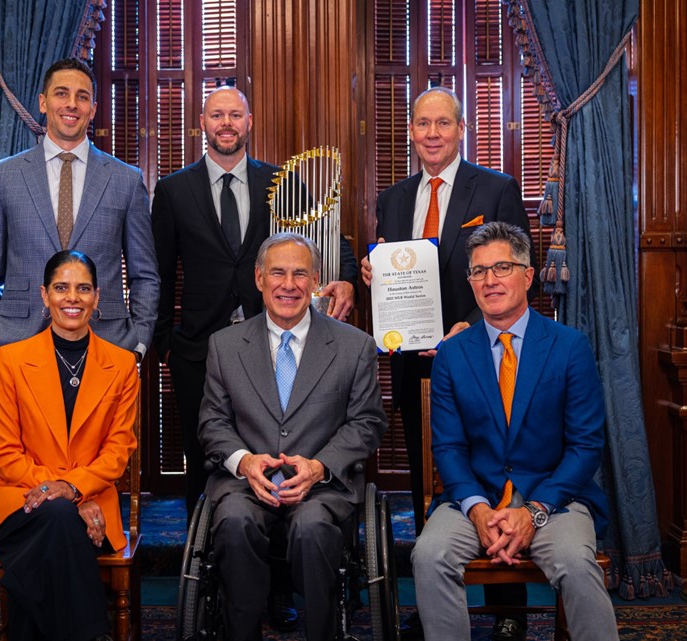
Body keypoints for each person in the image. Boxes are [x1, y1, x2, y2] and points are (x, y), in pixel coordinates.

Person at [152, 86, 359, 630]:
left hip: (283, 340)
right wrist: (160, 347)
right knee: (212, 467)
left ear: (250, 121)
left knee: (290, 457)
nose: (226, 123)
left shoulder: (281, 183)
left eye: (235, 114)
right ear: (202, 122)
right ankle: (220, 583)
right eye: (216, 114)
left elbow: (331, 243)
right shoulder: (173, 191)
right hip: (203, 352)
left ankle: (282, 589)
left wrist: (343, 277)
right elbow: (158, 271)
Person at [361, 86, 534, 639]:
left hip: (484, 356)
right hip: (413, 366)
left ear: (461, 130)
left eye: (443, 123)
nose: (432, 133)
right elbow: (397, 273)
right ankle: (439, 604)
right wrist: (374, 275)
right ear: (410, 131)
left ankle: (506, 609)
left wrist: (473, 327)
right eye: (422, 124)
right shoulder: (393, 198)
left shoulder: (497, 189)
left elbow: (513, 274)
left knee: (495, 471)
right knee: (424, 475)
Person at [410, 222, 618, 641]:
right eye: (479, 271)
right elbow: (448, 446)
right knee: (428, 555)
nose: (490, 280)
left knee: (578, 565)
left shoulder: (569, 346)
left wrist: (534, 511)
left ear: (527, 275)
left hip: (554, 500)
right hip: (475, 501)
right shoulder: (451, 354)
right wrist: (477, 509)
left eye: (502, 267)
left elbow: (585, 445)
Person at [198, 232, 386, 641]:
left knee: (313, 528)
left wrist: (320, 467)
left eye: (300, 274)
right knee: (232, 522)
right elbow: (212, 422)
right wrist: (245, 462)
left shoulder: (356, 347)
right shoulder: (224, 345)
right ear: (259, 278)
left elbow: (367, 423)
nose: (288, 284)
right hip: (246, 484)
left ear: (315, 279)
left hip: (323, 487)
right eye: (277, 273)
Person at [0, 250, 139, 641]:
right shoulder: (11, 360)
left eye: (83, 288)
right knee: (56, 516)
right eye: (61, 287)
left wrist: (70, 490)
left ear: (97, 297)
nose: (72, 297)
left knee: (57, 520)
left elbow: (118, 453)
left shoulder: (122, 365)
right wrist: (70, 494)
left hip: (91, 506)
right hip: (21, 502)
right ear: (43, 295)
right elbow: (3, 455)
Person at [0, 57, 158, 365]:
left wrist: (137, 341)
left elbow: (145, 274)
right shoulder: (4, 176)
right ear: (43, 103)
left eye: (82, 96)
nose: (71, 104)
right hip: (18, 343)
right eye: (61, 93)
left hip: (107, 343)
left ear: (93, 109)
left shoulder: (126, 180)